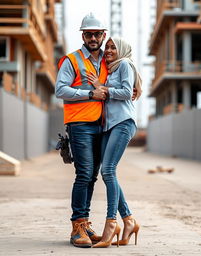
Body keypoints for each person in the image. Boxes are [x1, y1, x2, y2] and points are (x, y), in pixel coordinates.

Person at [55, 13, 108, 248]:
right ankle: (77, 226)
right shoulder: (72, 60)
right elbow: (60, 90)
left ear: (103, 35)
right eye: (89, 34)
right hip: (80, 125)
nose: (93, 38)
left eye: (97, 34)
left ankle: (84, 223)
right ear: (83, 35)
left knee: (93, 176)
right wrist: (89, 93)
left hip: (102, 125)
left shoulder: (107, 61)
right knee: (84, 174)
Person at [87, 37, 142, 248]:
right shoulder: (112, 68)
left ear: (122, 50)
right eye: (107, 47)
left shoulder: (125, 64)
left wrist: (103, 88)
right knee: (108, 172)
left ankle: (111, 224)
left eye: (113, 47)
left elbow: (127, 92)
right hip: (109, 126)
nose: (109, 50)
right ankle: (129, 221)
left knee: (108, 171)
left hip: (123, 123)